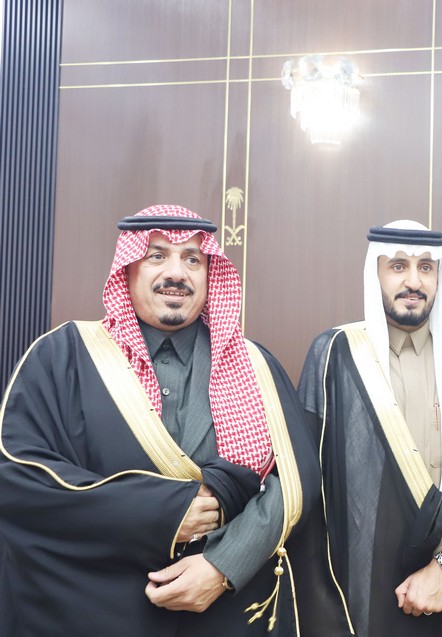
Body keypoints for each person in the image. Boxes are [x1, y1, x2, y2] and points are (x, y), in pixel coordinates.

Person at [0, 205, 319, 636]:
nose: (176, 273)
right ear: (127, 268)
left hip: (225, 611)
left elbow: (296, 480)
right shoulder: (62, 356)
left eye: (192, 259)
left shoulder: (255, 365)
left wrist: (224, 564)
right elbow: (20, 477)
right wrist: (162, 514)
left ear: (210, 273)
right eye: (157, 255)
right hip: (96, 607)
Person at [295, 220, 442, 637]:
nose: (414, 281)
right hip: (360, 588)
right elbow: (310, 494)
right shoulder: (336, 355)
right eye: (398, 266)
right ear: (374, 273)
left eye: (426, 267)